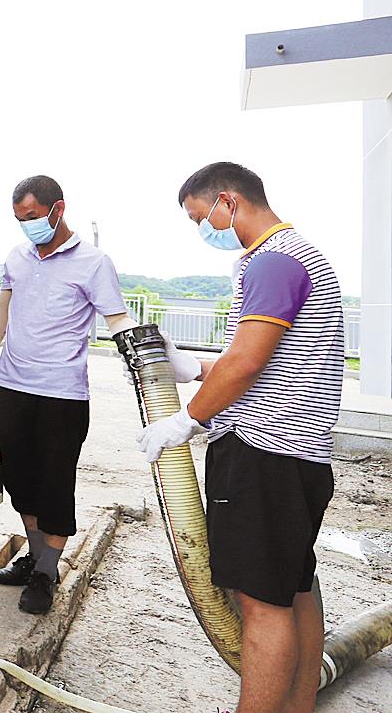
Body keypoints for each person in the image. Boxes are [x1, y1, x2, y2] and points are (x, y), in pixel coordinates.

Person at [137, 162, 341, 713]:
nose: (204, 230)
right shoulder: (299, 255)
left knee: (260, 605)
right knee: (295, 588)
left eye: (201, 217)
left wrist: (187, 420)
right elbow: (269, 358)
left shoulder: (273, 260)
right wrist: (199, 368)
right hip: (300, 454)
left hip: (263, 454)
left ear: (228, 200)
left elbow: (249, 361)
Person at [0, 175, 136, 613]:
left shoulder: (94, 263)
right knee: (20, 478)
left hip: (62, 395)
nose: (27, 226)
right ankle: (37, 557)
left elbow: (118, 321)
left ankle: (46, 571)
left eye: (33, 217)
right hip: (13, 387)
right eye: (20, 219)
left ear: (59, 209)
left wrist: (143, 368)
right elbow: (2, 311)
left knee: (56, 483)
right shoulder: (17, 258)